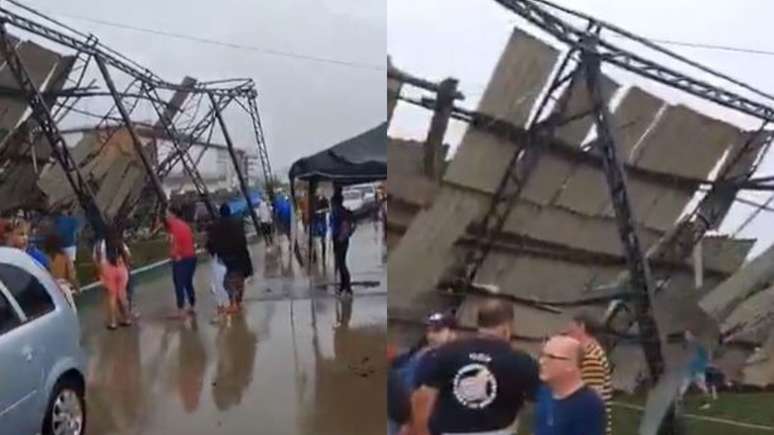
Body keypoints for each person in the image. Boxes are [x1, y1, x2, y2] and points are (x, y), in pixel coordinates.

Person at [411, 300, 540, 435]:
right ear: (508, 327)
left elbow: (423, 397)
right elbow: (543, 399)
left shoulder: (446, 352)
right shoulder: (520, 361)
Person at [389, 311, 457, 435]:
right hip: (398, 406)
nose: (431, 335)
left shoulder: (452, 358)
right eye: (429, 331)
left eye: (437, 331)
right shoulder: (420, 350)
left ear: (452, 333)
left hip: (418, 414)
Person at [534, 336, 606, 435]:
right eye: (541, 355)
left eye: (551, 357)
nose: (541, 361)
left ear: (571, 365)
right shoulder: (545, 391)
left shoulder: (588, 406)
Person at [564, 312, 613, 434]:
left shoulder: (591, 357)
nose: (568, 333)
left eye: (572, 329)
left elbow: (590, 402)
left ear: (582, 327)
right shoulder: (591, 352)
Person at [211, 204, 253, 313]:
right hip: (240, 254)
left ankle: (233, 303)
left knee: (228, 281)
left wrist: (214, 252)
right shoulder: (237, 223)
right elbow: (242, 239)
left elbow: (212, 242)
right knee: (239, 278)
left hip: (226, 256)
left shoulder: (216, 225)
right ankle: (238, 302)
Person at [93, 225, 132, 330]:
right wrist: (126, 266)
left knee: (111, 296)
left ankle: (113, 322)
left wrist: (99, 272)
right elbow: (128, 255)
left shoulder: (99, 245)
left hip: (107, 270)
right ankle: (127, 318)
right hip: (121, 269)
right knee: (122, 294)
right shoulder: (120, 243)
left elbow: (96, 260)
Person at [164, 208, 198, 319]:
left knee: (179, 283)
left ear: (173, 215)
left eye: (167, 214)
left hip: (181, 258)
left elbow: (174, 243)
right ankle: (192, 305)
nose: (166, 216)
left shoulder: (173, 226)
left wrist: (174, 255)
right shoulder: (184, 225)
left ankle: (180, 310)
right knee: (188, 282)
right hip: (192, 256)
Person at [679, 330, 713, 409]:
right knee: (684, 386)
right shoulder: (689, 346)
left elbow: (705, 358)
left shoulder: (698, 346)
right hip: (691, 370)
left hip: (697, 370)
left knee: (701, 386)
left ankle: (705, 402)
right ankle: (679, 402)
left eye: (687, 335)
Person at [331, 189, 355, 297]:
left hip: (340, 239)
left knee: (341, 263)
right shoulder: (341, 211)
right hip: (340, 238)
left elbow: (345, 225)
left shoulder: (338, 211)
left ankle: (347, 287)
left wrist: (341, 237)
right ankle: (343, 285)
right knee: (341, 263)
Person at [205, 219, 230, 324]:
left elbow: (211, 254)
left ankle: (222, 311)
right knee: (223, 288)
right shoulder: (225, 239)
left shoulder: (211, 242)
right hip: (224, 265)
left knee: (218, 288)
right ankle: (227, 308)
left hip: (217, 266)